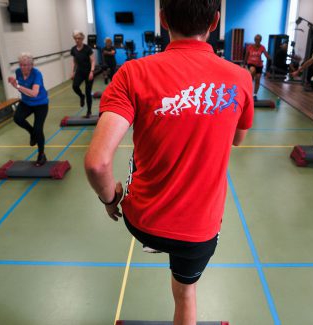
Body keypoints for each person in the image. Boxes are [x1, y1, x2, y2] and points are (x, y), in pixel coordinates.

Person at [84, 1, 254, 323]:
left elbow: (97, 163)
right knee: (186, 293)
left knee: (159, 238)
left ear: (162, 19)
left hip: (143, 223)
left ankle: (158, 244)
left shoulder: (132, 73)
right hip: (198, 231)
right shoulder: (240, 79)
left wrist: (110, 199)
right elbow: (238, 139)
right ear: (215, 21)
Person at [8, 53, 49, 166]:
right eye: (21, 65)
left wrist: (17, 86)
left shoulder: (37, 74)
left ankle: (41, 155)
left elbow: (34, 93)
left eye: (26, 65)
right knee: (17, 118)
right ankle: (32, 133)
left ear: (31, 65)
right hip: (26, 103)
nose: (23, 67)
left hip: (40, 103)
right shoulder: (18, 72)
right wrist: (14, 83)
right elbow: (19, 87)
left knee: (38, 129)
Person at [70, 31, 95, 118]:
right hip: (79, 72)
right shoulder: (73, 49)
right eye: (76, 38)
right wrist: (73, 72)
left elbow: (93, 61)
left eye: (79, 38)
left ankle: (89, 111)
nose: (77, 40)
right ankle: (81, 96)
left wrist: (92, 71)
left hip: (88, 72)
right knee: (75, 86)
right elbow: (74, 62)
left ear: (82, 39)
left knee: (88, 92)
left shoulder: (87, 49)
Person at [243, 34, 270, 100]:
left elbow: (267, 57)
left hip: (259, 65)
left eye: (259, 39)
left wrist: (269, 58)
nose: (257, 41)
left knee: (258, 79)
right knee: (252, 70)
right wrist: (244, 64)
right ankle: (248, 87)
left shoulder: (262, 47)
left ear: (260, 40)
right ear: (254, 40)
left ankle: (255, 94)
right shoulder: (250, 47)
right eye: (256, 39)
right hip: (251, 63)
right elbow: (246, 56)